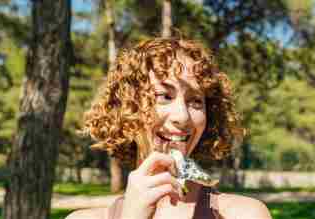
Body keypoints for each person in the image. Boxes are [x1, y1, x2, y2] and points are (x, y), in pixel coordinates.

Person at [66, 38, 272, 219]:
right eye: (164, 96)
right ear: (127, 108)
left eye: (196, 101)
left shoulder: (242, 214)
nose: (183, 117)